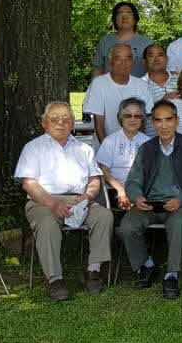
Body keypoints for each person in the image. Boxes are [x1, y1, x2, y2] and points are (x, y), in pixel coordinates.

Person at [15, 101, 114, 301]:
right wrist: (53, 204)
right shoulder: (33, 148)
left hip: (79, 199)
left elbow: (94, 179)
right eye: (55, 119)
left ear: (72, 124)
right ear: (44, 123)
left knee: (104, 216)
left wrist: (86, 197)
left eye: (66, 119)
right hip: (43, 201)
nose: (61, 123)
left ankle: (93, 270)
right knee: (47, 224)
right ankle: (55, 279)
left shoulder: (84, 149)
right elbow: (29, 184)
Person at [118, 99, 182, 300]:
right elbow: (132, 180)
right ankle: (146, 266)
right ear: (153, 123)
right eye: (158, 120)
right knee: (127, 226)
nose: (164, 125)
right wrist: (136, 196)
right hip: (151, 205)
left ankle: (172, 275)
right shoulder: (146, 148)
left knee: (178, 223)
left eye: (168, 120)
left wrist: (180, 200)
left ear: (177, 121)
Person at [84, 43, 155, 142]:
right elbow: (98, 123)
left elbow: (144, 121)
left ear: (133, 62)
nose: (123, 63)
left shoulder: (141, 85)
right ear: (110, 62)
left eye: (128, 58)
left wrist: (138, 147)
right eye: (118, 58)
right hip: (104, 145)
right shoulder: (99, 84)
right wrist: (107, 150)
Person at [94, 97, 150, 208]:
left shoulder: (148, 142)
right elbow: (104, 171)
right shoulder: (110, 141)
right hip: (114, 190)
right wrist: (120, 189)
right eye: (128, 115)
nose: (132, 119)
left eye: (137, 116)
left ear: (142, 119)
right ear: (121, 117)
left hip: (142, 191)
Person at [92, 1, 152, 78]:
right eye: (120, 13)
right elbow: (98, 69)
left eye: (129, 13)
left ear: (135, 19)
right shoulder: (105, 41)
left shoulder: (147, 43)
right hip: (109, 89)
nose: (124, 17)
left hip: (138, 89)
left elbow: (154, 72)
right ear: (115, 19)